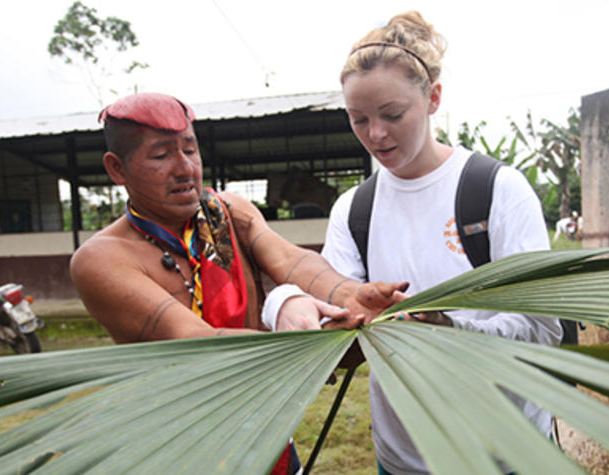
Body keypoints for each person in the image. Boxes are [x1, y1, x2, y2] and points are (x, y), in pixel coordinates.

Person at [69, 92, 407, 475]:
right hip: (184, 449)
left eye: (190, 150)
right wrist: (309, 347)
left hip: (265, 429)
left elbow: (289, 259)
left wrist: (349, 295)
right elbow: (193, 343)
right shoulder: (103, 259)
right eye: (161, 156)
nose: (185, 168)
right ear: (117, 168)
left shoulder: (224, 212)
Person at [319, 11, 563, 474]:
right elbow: (338, 333)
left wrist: (451, 332)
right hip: (404, 459)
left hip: (506, 455)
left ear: (433, 98)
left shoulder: (496, 190)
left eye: (392, 115)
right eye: (358, 119)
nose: (376, 134)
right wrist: (335, 330)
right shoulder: (352, 211)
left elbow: (543, 330)